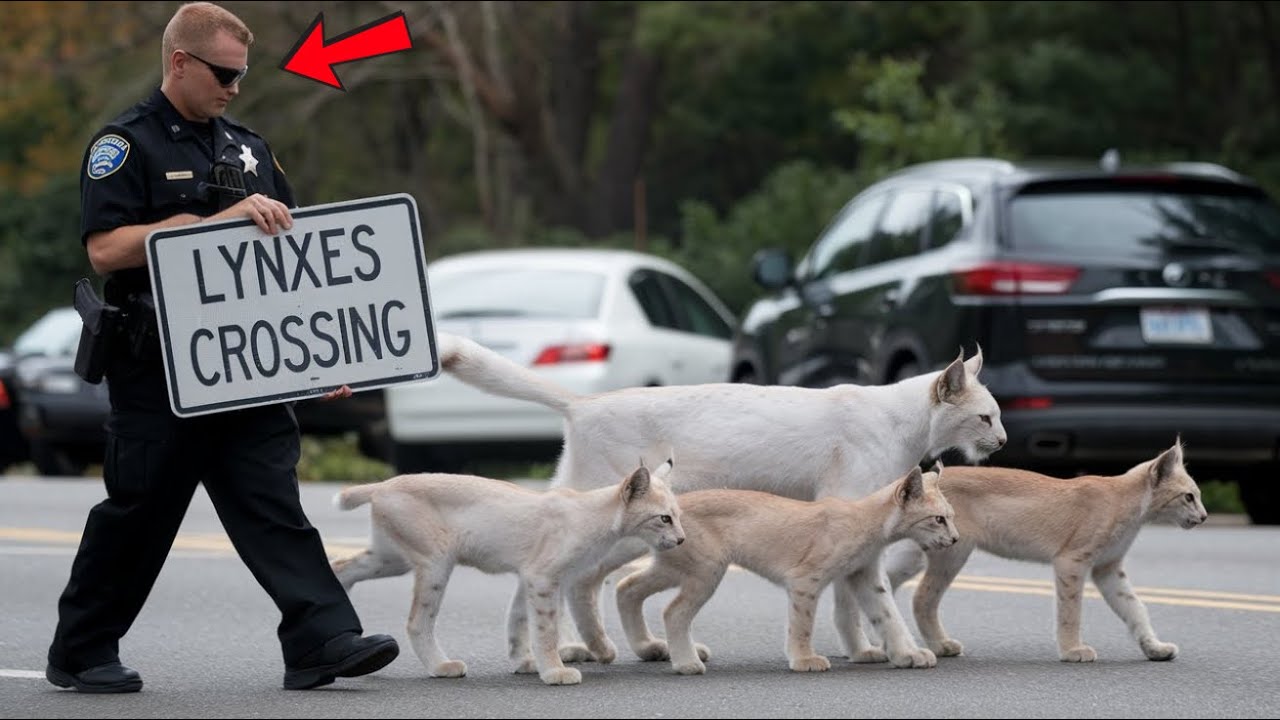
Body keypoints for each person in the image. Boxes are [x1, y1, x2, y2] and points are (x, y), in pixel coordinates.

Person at [46, 2, 399, 693]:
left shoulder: (250, 147)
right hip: (160, 372)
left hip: (249, 372)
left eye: (241, 75)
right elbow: (105, 251)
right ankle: (81, 651)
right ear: (179, 63)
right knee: (139, 516)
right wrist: (199, 224)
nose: (233, 87)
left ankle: (322, 640)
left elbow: (292, 262)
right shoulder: (126, 146)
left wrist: (323, 356)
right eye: (222, 74)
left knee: (274, 504)